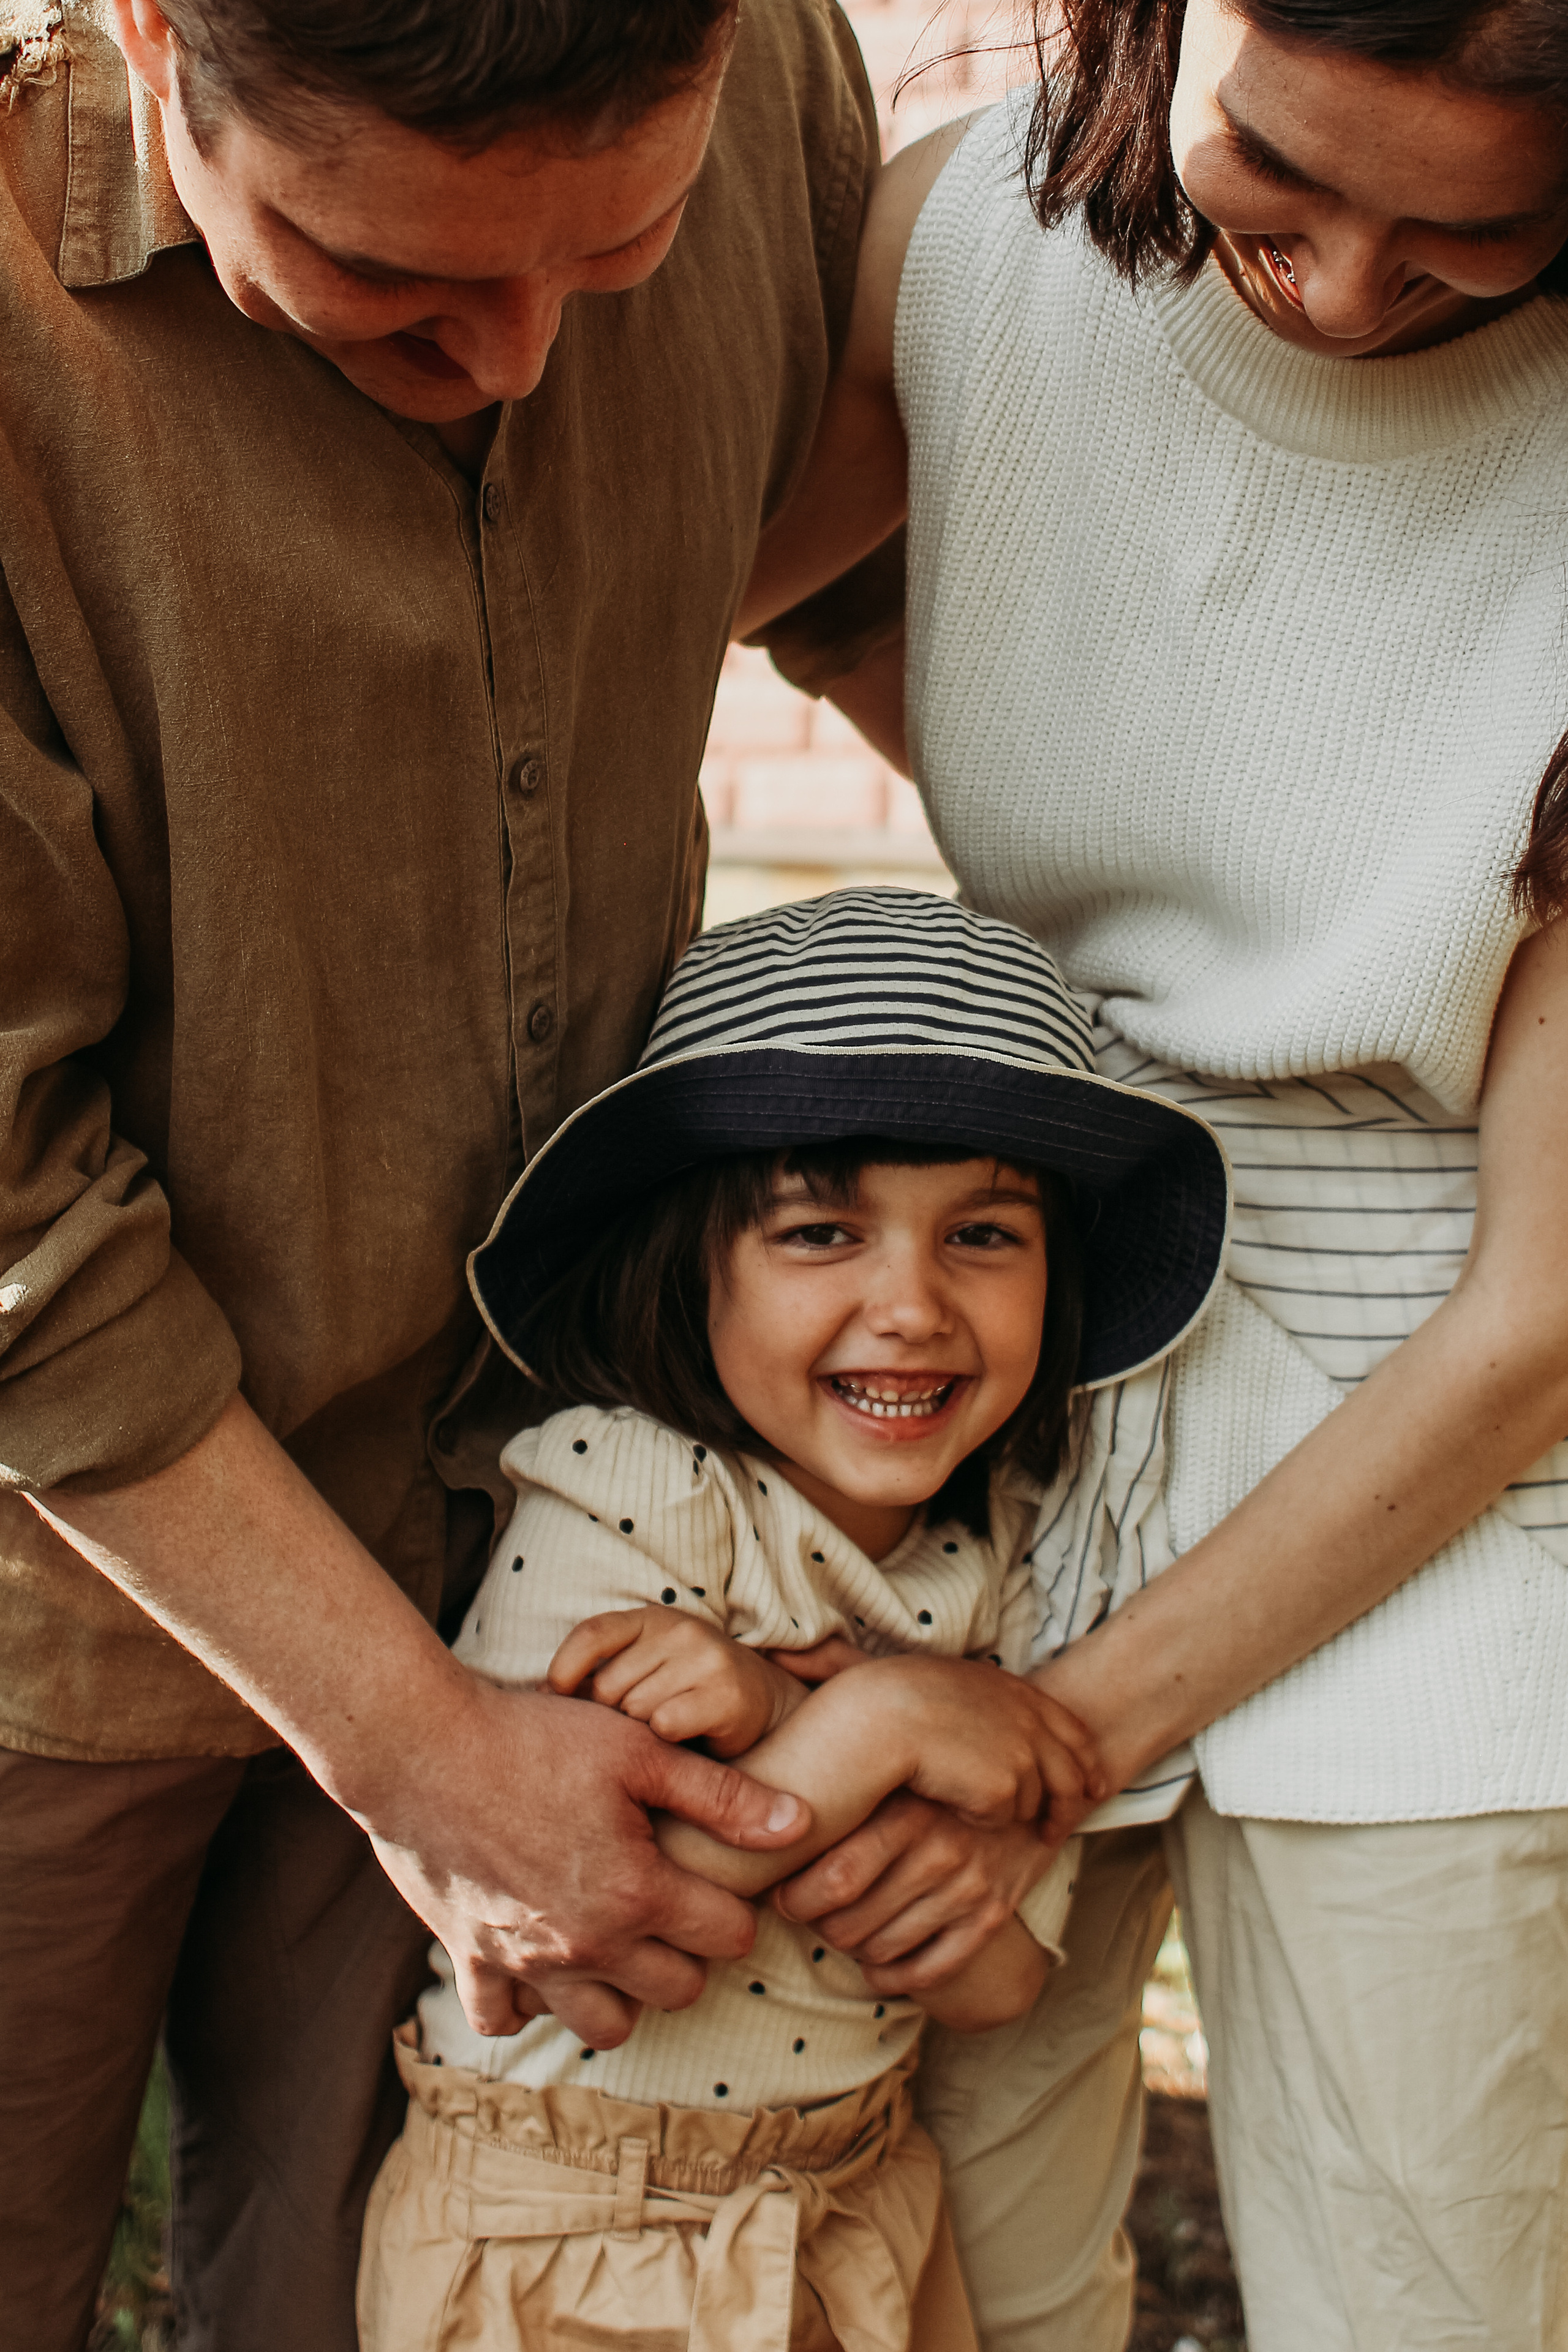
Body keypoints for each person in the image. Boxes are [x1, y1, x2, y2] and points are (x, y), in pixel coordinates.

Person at [0, 4, 1048, 2346]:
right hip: (50, 1617)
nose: (514, 359)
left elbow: (802, 553)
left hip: (516, 1533)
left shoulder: (768, 66)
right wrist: (418, 1752)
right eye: (389, 282)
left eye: (624, 253)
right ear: (162, 46)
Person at [736, 0, 1568, 2344]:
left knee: (1419, 2297)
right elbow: (654, 576)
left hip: (1462, 1483)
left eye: (1477, 230)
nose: (1345, 287)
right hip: (1022, 1403)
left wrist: (1074, 1733)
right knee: (941, 2282)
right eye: (1278, 183)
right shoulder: (968, 254)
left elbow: (1545, 1316)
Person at [353, 885, 1231, 2352]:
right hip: (575, 2233)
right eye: (821, 1232)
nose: (910, 1306)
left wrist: (790, 1729)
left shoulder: (999, 1549)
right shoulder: (629, 1491)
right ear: (688, 1264)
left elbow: (1003, 1979)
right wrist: (880, 1719)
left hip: (852, 2208)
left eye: (984, 1235)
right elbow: (590, 1913)